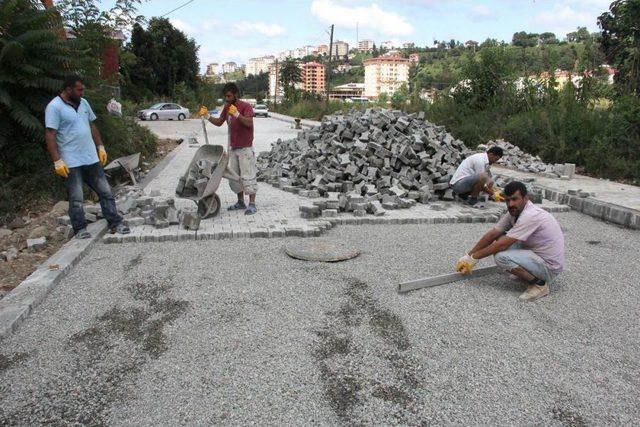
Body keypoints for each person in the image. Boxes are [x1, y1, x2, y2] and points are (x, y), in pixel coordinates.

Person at [45, 76, 130, 239]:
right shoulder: (54, 107)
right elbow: (50, 134)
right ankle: (80, 229)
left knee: (106, 192)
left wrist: (100, 146)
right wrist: (57, 160)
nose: (82, 92)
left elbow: (91, 124)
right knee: (76, 197)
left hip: (91, 158)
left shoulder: (83, 103)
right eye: (79, 90)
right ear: (68, 89)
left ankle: (115, 222)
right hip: (71, 161)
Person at [455, 181, 565, 302]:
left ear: (525, 198)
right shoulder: (514, 212)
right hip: (537, 255)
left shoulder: (530, 215)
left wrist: (474, 258)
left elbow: (502, 245)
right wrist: (468, 256)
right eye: (507, 200)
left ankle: (539, 284)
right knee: (501, 236)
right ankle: (527, 272)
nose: (510, 204)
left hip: (549, 268)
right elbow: (493, 233)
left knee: (501, 257)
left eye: (514, 199)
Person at [205, 83, 258, 215]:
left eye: (229, 96)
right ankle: (240, 202)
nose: (227, 99)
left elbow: (249, 123)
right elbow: (219, 122)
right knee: (235, 177)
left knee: (248, 175)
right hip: (233, 148)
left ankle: (252, 204)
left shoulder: (246, 106)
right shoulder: (227, 107)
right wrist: (207, 116)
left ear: (235, 94)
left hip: (245, 148)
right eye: (225, 96)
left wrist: (238, 115)